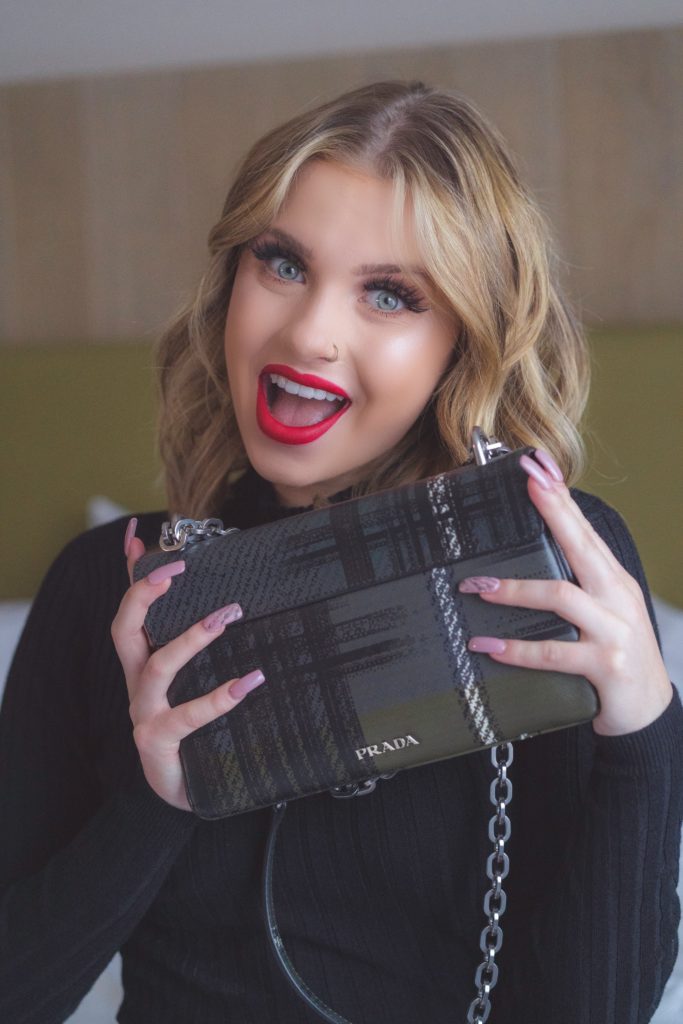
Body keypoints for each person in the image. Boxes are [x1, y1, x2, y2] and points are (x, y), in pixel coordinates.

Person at [1, 81, 680, 1024]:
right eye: (281, 263)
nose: (309, 332)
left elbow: (591, 1009)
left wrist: (645, 733)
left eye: (390, 294)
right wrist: (155, 798)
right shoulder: (106, 583)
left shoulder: (550, 564)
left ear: (464, 343)